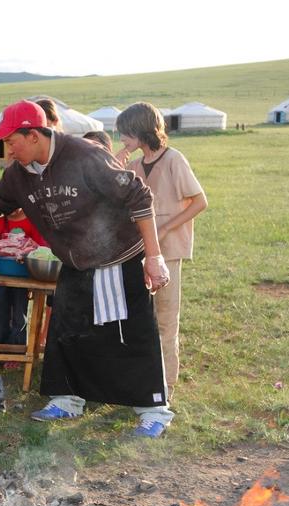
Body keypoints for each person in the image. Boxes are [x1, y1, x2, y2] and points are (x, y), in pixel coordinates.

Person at [0, 100, 173, 438]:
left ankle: (154, 410)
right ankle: (68, 399)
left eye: (11, 140)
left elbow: (139, 196)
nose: (8, 150)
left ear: (33, 135)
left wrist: (155, 256)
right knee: (66, 330)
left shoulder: (84, 155)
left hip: (118, 254)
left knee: (130, 331)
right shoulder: (17, 175)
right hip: (74, 260)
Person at [116, 102, 207, 399]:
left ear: (141, 130)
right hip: (139, 251)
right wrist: (117, 164)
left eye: (125, 134)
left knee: (166, 318)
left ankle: (166, 384)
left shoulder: (174, 160)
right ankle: (142, 375)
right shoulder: (134, 165)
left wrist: (166, 228)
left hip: (168, 251)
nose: (122, 140)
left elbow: (199, 201)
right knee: (142, 318)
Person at [0, 210, 46, 361]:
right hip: (1, 274)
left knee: (19, 314)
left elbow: (39, 248)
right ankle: (0, 351)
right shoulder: (0, 223)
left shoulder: (32, 221)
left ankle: (17, 353)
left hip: (23, 275)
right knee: (0, 312)